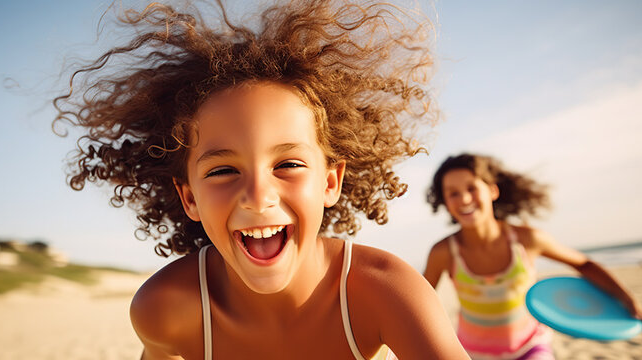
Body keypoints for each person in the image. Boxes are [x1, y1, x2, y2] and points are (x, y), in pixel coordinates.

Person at [53, 1, 468, 359]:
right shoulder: (165, 308)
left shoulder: (385, 293)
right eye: (222, 171)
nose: (258, 196)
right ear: (190, 198)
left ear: (330, 182)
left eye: (288, 164)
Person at [423, 153, 642, 359]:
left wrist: (627, 299)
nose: (464, 199)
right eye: (453, 193)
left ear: (492, 191)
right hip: (470, 354)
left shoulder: (527, 240)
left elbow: (584, 264)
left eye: (472, 188)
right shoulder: (444, 252)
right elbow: (421, 300)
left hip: (530, 347)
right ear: (445, 202)